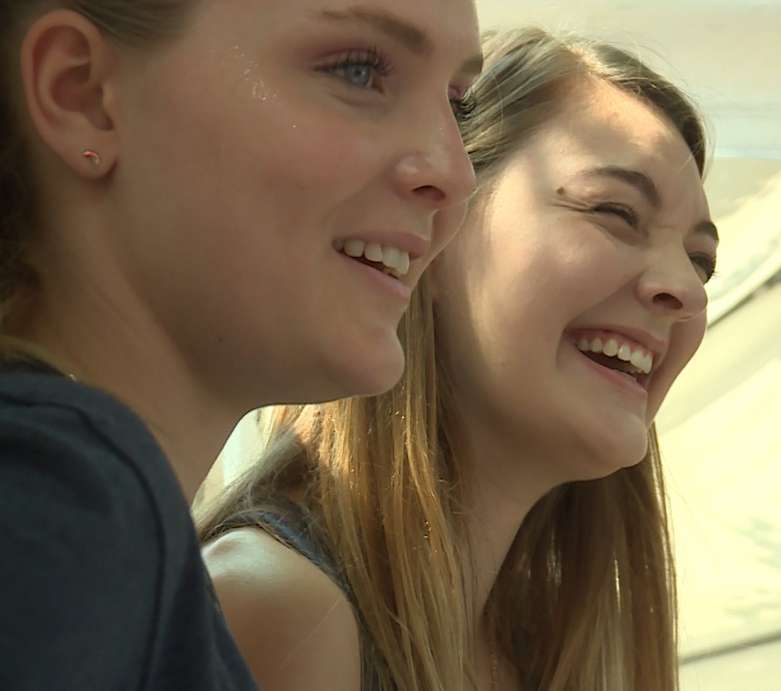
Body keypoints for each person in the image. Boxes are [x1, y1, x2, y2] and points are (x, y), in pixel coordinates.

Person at [198, 26, 719, 691]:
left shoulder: (535, 652)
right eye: (615, 211)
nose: (682, 286)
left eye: (702, 261)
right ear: (434, 229)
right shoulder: (281, 609)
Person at [0, 1, 480, 689]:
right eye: (358, 69)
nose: (457, 175)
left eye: (459, 106)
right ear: (82, 94)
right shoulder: (58, 506)